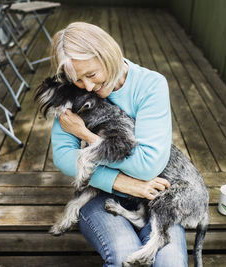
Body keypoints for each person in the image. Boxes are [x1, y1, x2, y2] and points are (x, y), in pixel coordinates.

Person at [50, 22, 188, 267]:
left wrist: (85, 134)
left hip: (156, 195)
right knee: (124, 254)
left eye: (91, 75)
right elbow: (63, 156)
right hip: (96, 194)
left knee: (170, 262)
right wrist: (125, 183)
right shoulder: (70, 90)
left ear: (108, 54)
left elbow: (148, 166)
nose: (88, 87)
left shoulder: (150, 85)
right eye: (78, 80)